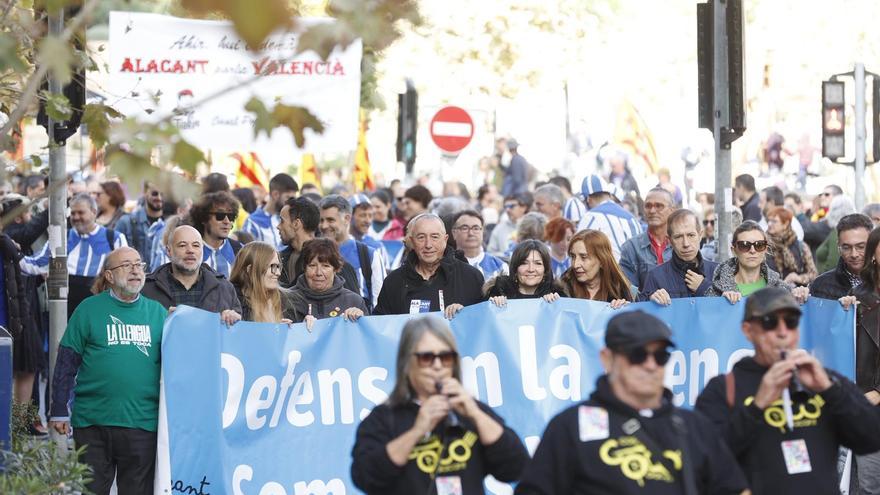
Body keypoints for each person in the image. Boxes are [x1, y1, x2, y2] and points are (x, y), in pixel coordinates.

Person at [516, 311, 749, 494]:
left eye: (660, 356)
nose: (650, 365)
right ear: (608, 359)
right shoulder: (570, 427)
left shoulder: (693, 427)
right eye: (637, 355)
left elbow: (734, 489)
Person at [695, 287, 880, 495]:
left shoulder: (821, 380)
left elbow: (871, 436)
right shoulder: (724, 388)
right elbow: (703, 461)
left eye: (791, 322)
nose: (782, 332)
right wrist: (757, 407)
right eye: (770, 322)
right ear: (748, 330)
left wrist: (830, 390)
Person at [351, 316, 529, 493]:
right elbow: (365, 477)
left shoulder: (471, 410)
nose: (437, 366)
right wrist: (417, 431)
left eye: (445, 357)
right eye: (427, 357)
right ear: (406, 363)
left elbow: (517, 468)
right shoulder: (384, 418)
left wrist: (476, 414)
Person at [49, 247, 167, 495]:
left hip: (142, 424)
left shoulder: (159, 313)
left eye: (139, 264)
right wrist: (59, 409)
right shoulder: (88, 309)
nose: (135, 269)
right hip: (93, 423)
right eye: (126, 265)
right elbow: (66, 362)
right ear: (110, 276)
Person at [21, 193, 128, 317]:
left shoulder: (115, 238)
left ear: (94, 212)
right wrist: (11, 252)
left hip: (102, 307)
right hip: (67, 310)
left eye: (81, 213)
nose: (76, 217)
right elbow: (35, 264)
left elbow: (126, 272)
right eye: (73, 213)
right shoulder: (61, 237)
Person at [374, 213, 484, 318]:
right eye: (421, 237)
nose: (428, 245)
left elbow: (482, 324)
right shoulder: (394, 281)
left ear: (445, 240)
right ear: (412, 241)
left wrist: (463, 315)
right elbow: (381, 326)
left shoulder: (470, 277)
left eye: (434, 237)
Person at [141, 225, 241, 323]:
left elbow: (238, 334)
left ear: (202, 250)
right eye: (182, 245)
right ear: (169, 251)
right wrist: (161, 319)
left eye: (196, 245)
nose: (190, 250)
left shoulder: (224, 288)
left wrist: (235, 320)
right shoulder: (146, 289)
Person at [706, 221, 809, 303]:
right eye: (744, 245)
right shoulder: (716, 291)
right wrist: (720, 304)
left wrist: (802, 295)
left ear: (765, 249)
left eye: (759, 245)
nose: (752, 250)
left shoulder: (782, 289)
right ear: (734, 250)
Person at [320, 194, 386, 310]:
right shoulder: (312, 253)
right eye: (321, 220)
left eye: (330, 220)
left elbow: (380, 303)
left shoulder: (368, 255)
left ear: (347, 219)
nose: (324, 225)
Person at [641, 208, 718, 303]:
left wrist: (704, 287)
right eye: (678, 237)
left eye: (691, 235)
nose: (686, 244)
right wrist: (651, 300)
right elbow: (643, 314)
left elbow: (731, 310)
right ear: (669, 241)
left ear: (700, 235)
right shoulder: (655, 276)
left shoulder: (718, 271)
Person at [287, 238, 368, 328]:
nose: (318, 273)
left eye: (325, 266)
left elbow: (367, 339)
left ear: (335, 269)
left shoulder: (354, 301)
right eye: (312, 265)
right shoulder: (286, 300)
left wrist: (361, 321)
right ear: (304, 268)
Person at [560, 229, 633, 308]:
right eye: (573, 257)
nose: (575, 264)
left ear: (602, 260)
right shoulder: (562, 289)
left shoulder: (621, 291)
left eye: (584, 257)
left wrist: (624, 309)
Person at [619, 188, 674, 290]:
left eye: (659, 206)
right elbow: (627, 288)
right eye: (648, 206)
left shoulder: (681, 244)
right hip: (643, 305)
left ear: (672, 210)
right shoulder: (631, 248)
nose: (652, 211)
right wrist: (649, 296)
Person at [576, 175, 641, 260]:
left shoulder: (590, 217)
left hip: (612, 272)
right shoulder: (632, 218)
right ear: (609, 195)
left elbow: (578, 254)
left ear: (588, 199)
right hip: (638, 271)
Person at [229, 242, 297, 323]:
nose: (278, 273)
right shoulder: (230, 301)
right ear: (250, 270)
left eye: (278, 267)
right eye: (272, 266)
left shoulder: (286, 301)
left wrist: (303, 326)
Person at [810, 213, 872, 301]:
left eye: (861, 247)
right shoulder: (821, 285)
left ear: (872, 244)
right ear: (839, 247)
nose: (854, 254)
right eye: (846, 248)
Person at [484, 240, 562, 307]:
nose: (531, 269)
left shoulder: (557, 293)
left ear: (545, 269)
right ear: (515, 268)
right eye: (524, 263)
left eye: (538, 263)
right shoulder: (499, 291)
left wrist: (557, 305)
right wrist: (493, 305)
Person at [187, 191, 243, 278]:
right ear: (203, 218)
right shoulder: (188, 252)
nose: (227, 221)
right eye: (220, 215)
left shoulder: (241, 252)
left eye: (231, 216)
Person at [241, 173, 298, 248]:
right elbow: (247, 255)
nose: (292, 202)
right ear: (275, 194)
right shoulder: (252, 222)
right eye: (289, 198)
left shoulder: (293, 219)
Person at [116, 182, 165, 268]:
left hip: (162, 279)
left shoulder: (171, 224)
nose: (159, 198)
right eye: (155, 194)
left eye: (163, 194)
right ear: (145, 193)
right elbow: (115, 255)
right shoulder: (126, 222)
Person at [765, 206, 817, 287]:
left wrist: (798, 278)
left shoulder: (801, 246)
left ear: (785, 224)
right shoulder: (763, 246)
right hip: (772, 295)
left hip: (797, 295)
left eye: (774, 221)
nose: (769, 224)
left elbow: (813, 274)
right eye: (769, 221)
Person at [451, 210, 508, 280]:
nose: (471, 233)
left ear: (483, 231)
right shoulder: (445, 265)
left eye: (476, 228)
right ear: (454, 233)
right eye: (465, 228)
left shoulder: (500, 267)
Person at [815, 195, 856, 274]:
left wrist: (821, 281)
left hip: (827, 283)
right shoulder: (847, 231)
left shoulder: (837, 232)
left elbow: (833, 263)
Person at [487, 192, 531, 257]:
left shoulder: (532, 226)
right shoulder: (499, 228)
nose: (507, 210)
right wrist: (506, 255)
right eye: (505, 207)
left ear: (523, 207)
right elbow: (490, 252)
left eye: (511, 206)